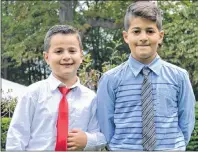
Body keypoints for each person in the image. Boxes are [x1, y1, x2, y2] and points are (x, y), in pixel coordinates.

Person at [96, 1, 195, 151]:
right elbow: (105, 124)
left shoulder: (179, 77)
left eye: (150, 31)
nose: (143, 37)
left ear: (160, 36)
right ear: (126, 36)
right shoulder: (110, 79)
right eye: (136, 31)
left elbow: (186, 121)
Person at [6, 24, 106, 151]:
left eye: (72, 51)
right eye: (59, 51)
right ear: (46, 57)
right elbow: (16, 137)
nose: (66, 56)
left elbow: (101, 134)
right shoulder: (32, 94)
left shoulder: (91, 98)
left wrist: (88, 140)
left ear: (81, 56)